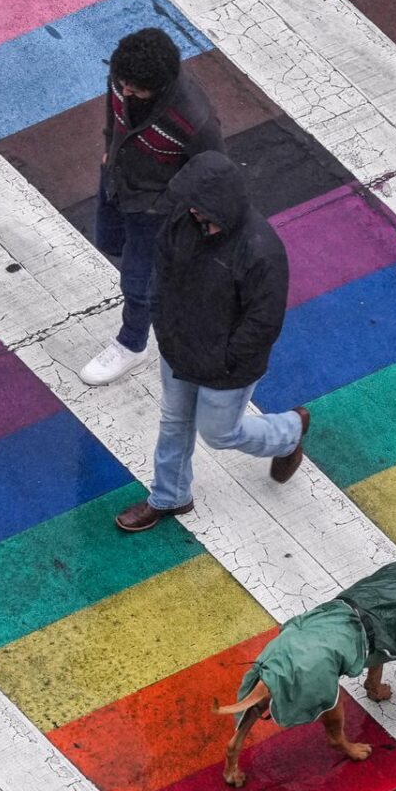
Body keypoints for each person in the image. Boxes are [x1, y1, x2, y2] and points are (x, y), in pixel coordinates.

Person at [115, 152, 307, 533]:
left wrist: (224, 359)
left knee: (221, 434)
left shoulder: (260, 251)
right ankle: (169, 497)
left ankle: (288, 434)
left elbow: (263, 321)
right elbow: (162, 272)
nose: (195, 215)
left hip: (225, 367)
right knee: (173, 423)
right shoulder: (185, 221)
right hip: (178, 347)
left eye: (202, 210)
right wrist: (163, 322)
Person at [79, 27, 223, 387]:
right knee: (110, 243)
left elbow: (212, 174)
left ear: (159, 84)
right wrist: (109, 148)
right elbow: (113, 116)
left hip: (155, 209)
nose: (124, 91)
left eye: (134, 88)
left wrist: (168, 206)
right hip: (115, 181)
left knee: (137, 283)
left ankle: (132, 343)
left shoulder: (194, 121)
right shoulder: (121, 78)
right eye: (121, 82)